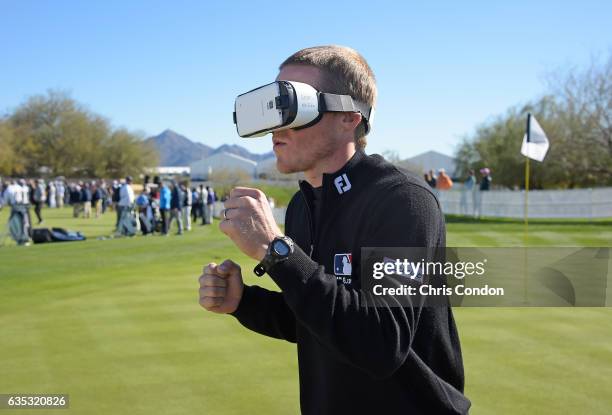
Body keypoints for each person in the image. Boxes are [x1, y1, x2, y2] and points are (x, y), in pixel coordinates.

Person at [198, 45, 469, 414]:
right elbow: (320, 323)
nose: (278, 127)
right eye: (277, 109)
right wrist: (244, 302)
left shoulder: (403, 200)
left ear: (349, 117)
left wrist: (277, 250)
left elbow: (380, 342)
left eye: (295, 106)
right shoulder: (302, 205)